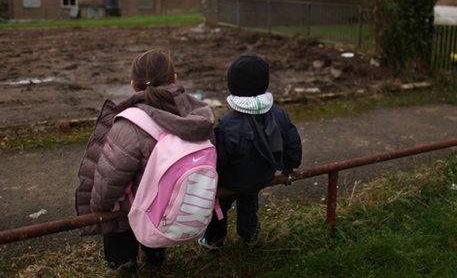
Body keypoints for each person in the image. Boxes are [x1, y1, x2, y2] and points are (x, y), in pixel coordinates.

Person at [75, 49, 215, 273]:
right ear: (175, 78)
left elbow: (110, 178)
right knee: (151, 212)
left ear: (133, 84)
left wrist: (99, 208)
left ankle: (123, 264)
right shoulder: (197, 113)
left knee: (118, 217)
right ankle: (156, 253)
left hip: (136, 207)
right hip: (173, 203)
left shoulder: (130, 124)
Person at [198, 54, 302, 249]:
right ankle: (250, 236)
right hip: (263, 174)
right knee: (249, 203)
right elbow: (293, 141)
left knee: (220, 206)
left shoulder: (228, 124)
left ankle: (214, 240)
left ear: (232, 86)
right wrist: (290, 166)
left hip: (232, 180)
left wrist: (214, 180)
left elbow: (219, 159)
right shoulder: (278, 113)